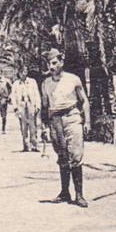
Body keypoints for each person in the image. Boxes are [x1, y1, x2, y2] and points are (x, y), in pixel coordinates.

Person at [40, 49, 91, 207]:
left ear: (62, 62)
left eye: (54, 63)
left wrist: (87, 121)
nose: (52, 66)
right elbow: (44, 107)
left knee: (75, 155)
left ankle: (79, 195)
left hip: (72, 117)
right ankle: (64, 193)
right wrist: (44, 128)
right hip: (55, 121)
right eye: (49, 63)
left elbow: (84, 101)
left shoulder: (73, 79)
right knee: (62, 156)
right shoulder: (46, 84)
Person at [11, 65, 42, 152]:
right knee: (23, 127)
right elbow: (13, 96)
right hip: (21, 106)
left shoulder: (32, 82)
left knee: (33, 126)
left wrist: (38, 106)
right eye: (22, 72)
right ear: (19, 73)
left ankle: (34, 145)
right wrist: (15, 108)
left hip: (31, 104)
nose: (24, 73)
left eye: (26, 71)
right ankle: (25, 145)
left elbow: (37, 94)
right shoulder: (15, 84)